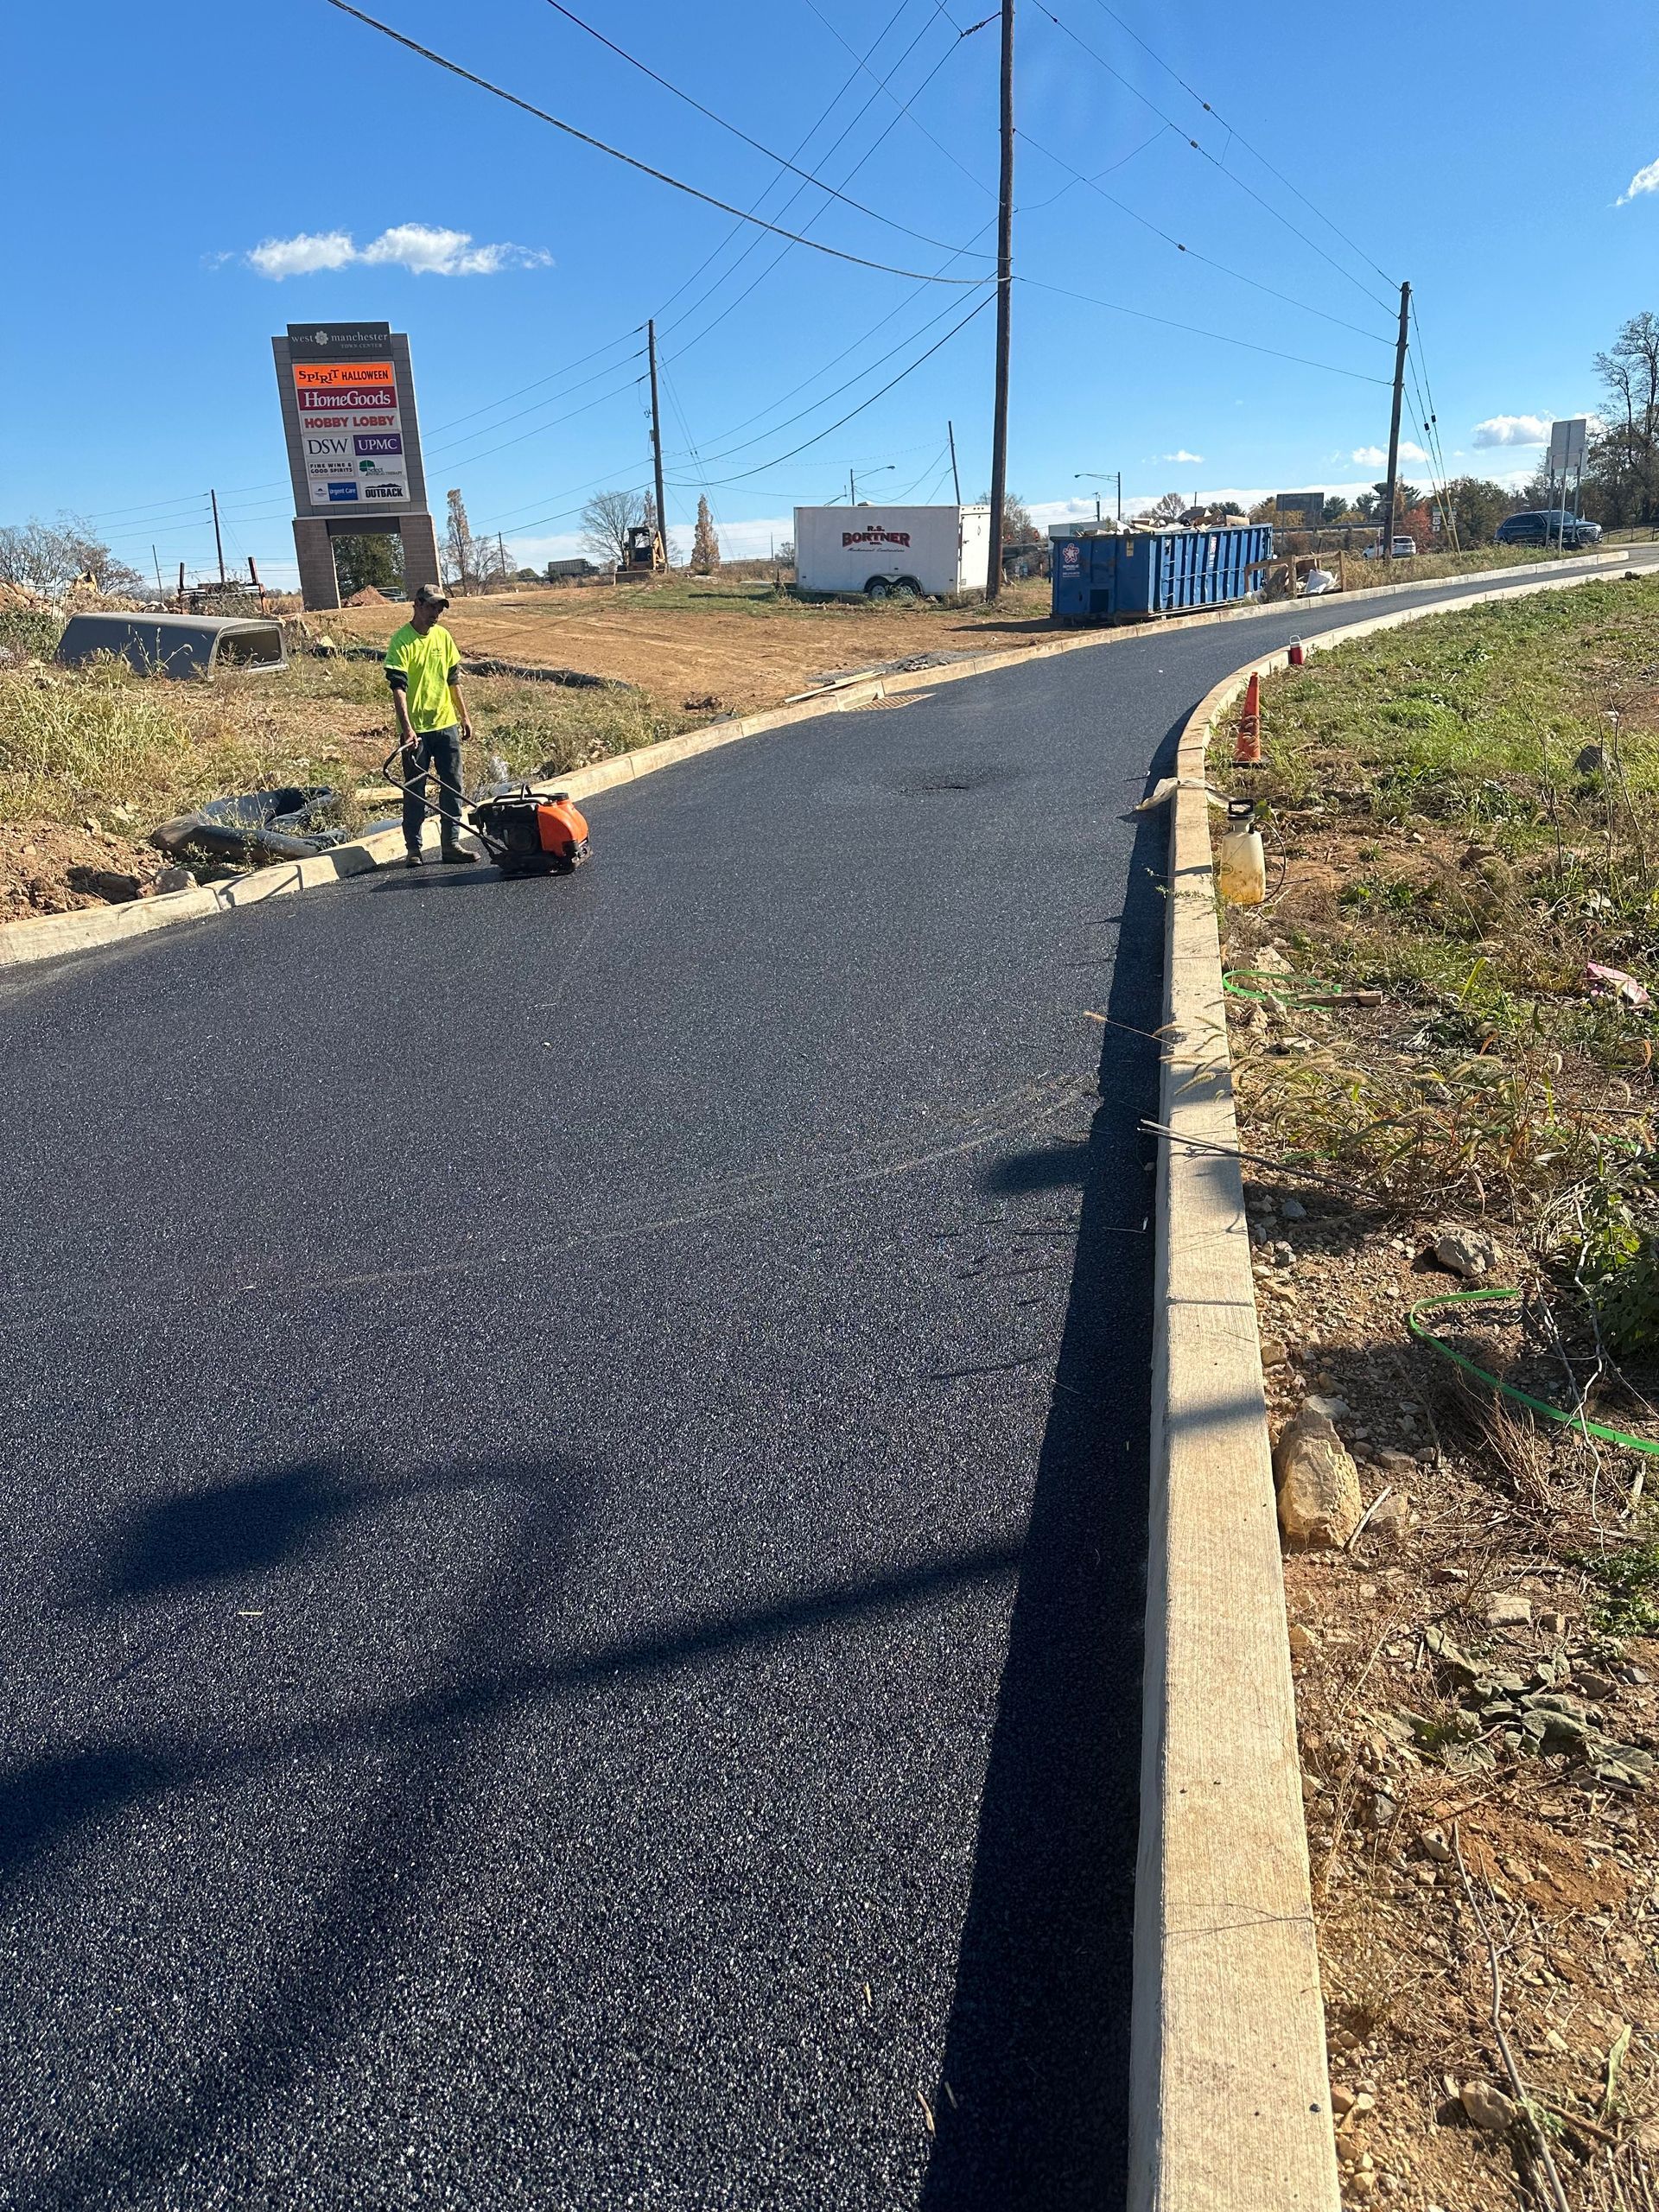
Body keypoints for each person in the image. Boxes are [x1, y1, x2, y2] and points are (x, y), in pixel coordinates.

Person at [384, 583, 477, 866]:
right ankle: (414, 848)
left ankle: (451, 844)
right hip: (416, 731)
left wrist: (464, 716)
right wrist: (407, 728)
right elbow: (398, 688)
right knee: (415, 790)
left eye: (440, 607)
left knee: (453, 785)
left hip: (445, 724)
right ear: (417, 604)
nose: (436, 613)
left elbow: (453, 680)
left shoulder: (443, 637)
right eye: (432, 606)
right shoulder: (401, 640)